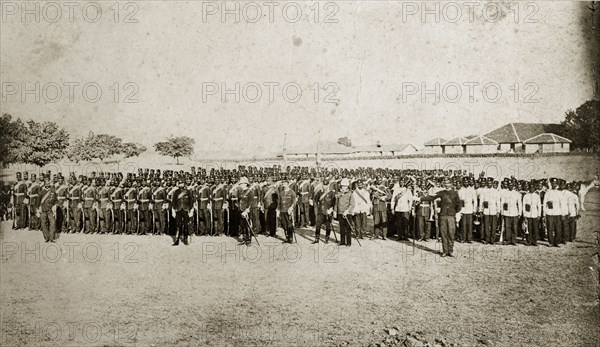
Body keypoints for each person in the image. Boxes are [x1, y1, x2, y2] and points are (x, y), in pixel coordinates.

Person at [420, 178, 461, 257]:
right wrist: (421, 198)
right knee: (443, 233)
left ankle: (450, 250)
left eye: (448, 183)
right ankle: (445, 251)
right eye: (445, 183)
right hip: (442, 215)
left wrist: (455, 212)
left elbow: (459, 204)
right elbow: (432, 197)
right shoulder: (441, 193)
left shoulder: (455, 193)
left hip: (451, 216)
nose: (446, 184)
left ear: (451, 184)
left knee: (451, 233)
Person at [313, 176, 336, 243]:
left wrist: (331, 210)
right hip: (320, 211)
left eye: (326, 185)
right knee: (318, 225)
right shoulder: (319, 192)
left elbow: (334, 203)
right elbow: (315, 200)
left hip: (328, 212)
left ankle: (327, 238)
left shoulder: (331, 193)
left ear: (328, 185)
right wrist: (317, 208)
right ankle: (317, 239)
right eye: (323, 185)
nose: (325, 187)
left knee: (328, 226)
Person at [500, 181, 522, 245]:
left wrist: (520, 213)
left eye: (512, 185)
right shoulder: (505, 193)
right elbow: (502, 203)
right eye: (509, 185)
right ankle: (508, 240)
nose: (510, 186)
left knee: (514, 227)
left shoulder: (517, 194)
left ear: (514, 185)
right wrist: (502, 212)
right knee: (507, 227)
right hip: (506, 213)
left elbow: (519, 204)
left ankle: (513, 240)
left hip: (514, 212)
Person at [38, 175, 58, 242]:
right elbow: (38, 202)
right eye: (46, 182)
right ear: (44, 183)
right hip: (43, 209)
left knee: (52, 223)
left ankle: (52, 237)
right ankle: (46, 238)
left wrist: (55, 206)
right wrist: (38, 209)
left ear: (50, 182)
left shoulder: (53, 191)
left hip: (50, 210)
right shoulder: (41, 192)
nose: (47, 183)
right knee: (44, 223)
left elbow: (56, 200)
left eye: (48, 182)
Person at [335, 178, 355, 246]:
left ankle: (348, 242)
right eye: (343, 186)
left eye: (345, 186)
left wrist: (347, 210)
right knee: (342, 228)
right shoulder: (339, 194)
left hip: (347, 213)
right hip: (340, 213)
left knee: (348, 228)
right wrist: (335, 211)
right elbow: (336, 203)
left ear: (347, 187)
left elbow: (352, 204)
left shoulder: (350, 194)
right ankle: (342, 241)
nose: (344, 188)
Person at [522, 181, 541, 246]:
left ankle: (534, 241)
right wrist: (524, 215)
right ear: (529, 188)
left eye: (533, 188)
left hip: (535, 214)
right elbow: (523, 206)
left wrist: (539, 215)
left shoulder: (537, 196)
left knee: (535, 228)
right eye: (530, 188)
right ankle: (529, 241)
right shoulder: (526, 196)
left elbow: (539, 206)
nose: (531, 189)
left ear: (534, 189)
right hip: (528, 214)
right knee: (528, 228)